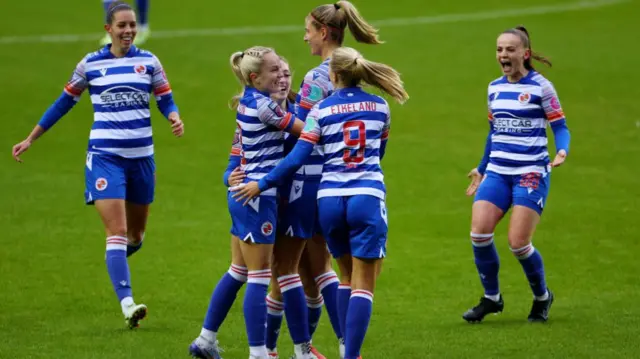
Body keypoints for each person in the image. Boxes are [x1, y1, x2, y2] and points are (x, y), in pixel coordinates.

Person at [11, 0, 184, 329]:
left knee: (135, 235)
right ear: (108, 30)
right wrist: (31, 138)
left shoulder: (149, 62)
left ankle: (114, 260)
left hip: (142, 159)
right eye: (122, 26)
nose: (129, 31)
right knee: (116, 232)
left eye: (132, 24)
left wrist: (173, 115)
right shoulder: (90, 64)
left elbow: (165, 98)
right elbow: (64, 102)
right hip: (105, 157)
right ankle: (128, 303)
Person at [232, 46, 409, 359]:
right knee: (363, 284)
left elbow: (296, 157)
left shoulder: (319, 111)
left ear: (334, 75)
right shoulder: (381, 107)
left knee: (342, 277)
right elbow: (379, 152)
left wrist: (261, 183)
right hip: (366, 196)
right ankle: (349, 354)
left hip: (328, 200)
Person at [266, 3, 383, 357]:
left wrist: (267, 118)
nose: (304, 36)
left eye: (308, 30)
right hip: (350, 182)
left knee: (291, 270)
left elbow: (300, 133)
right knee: (324, 269)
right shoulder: (356, 82)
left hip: (312, 181)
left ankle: (271, 349)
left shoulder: (317, 77)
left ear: (324, 32)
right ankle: (336, 345)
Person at [190, 46, 312, 359]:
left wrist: (229, 175)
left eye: (285, 72)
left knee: (238, 271)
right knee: (260, 277)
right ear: (256, 78)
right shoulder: (266, 108)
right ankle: (258, 353)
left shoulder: (252, 100)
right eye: (274, 72)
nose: (282, 78)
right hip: (257, 197)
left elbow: (237, 150)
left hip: (244, 195)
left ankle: (205, 339)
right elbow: (308, 134)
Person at [463, 25, 571, 323]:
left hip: (530, 173)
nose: (503, 55)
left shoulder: (541, 87)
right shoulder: (494, 87)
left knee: (518, 243)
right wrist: (482, 168)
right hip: (498, 172)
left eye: (509, 49)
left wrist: (561, 151)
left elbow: (560, 126)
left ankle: (542, 296)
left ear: (525, 53)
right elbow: (494, 131)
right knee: (479, 233)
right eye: (499, 49)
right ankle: (492, 298)